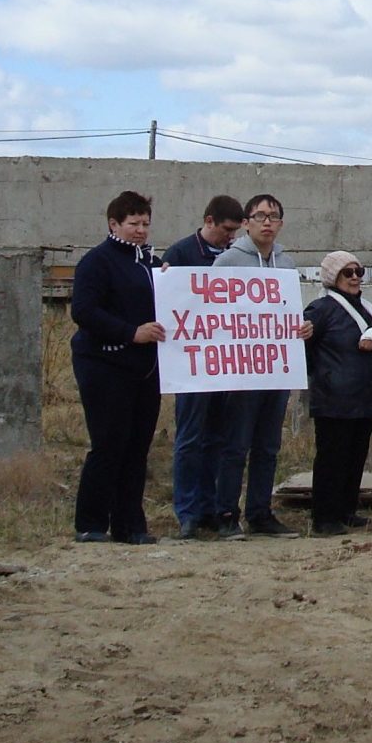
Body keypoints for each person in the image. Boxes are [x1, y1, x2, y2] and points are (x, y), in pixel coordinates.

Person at [213, 193, 312, 539]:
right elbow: (212, 312)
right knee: (236, 444)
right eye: (260, 216)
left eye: (274, 216)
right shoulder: (227, 262)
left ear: (281, 224)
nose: (267, 222)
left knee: (268, 445)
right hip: (242, 370)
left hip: (277, 367)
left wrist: (302, 327)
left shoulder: (286, 266)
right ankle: (226, 512)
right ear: (246, 222)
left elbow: (289, 310)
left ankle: (260, 513)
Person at [69, 191, 166, 544]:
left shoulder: (150, 263)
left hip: (144, 368)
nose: (140, 230)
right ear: (114, 224)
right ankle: (91, 523)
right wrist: (130, 333)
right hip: (104, 364)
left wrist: (169, 281)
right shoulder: (97, 262)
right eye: (133, 224)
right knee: (109, 444)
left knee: (137, 446)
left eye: (145, 223)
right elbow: (83, 310)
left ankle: (130, 525)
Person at [161, 194, 244, 539]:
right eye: (226, 230)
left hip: (225, 362)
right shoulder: (180, 254)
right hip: (192, 364)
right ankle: (188, 511)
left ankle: (212, 507)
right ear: (209, 221)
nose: (230, 237)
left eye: (235, 232)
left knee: (219, 439)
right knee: (191, 439)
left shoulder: (236, 258)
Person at [303, 251, 372, 536]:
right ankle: (324, 517)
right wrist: (324, 378)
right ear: (333, 277)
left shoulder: (365, 306)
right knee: (333, 457)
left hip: (364, 394)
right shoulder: (319, 309)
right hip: (334, 398)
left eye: (359, 271)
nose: (356, 277)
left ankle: (346, 509)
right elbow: (305, 351)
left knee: (356, 455)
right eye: (348, 272)